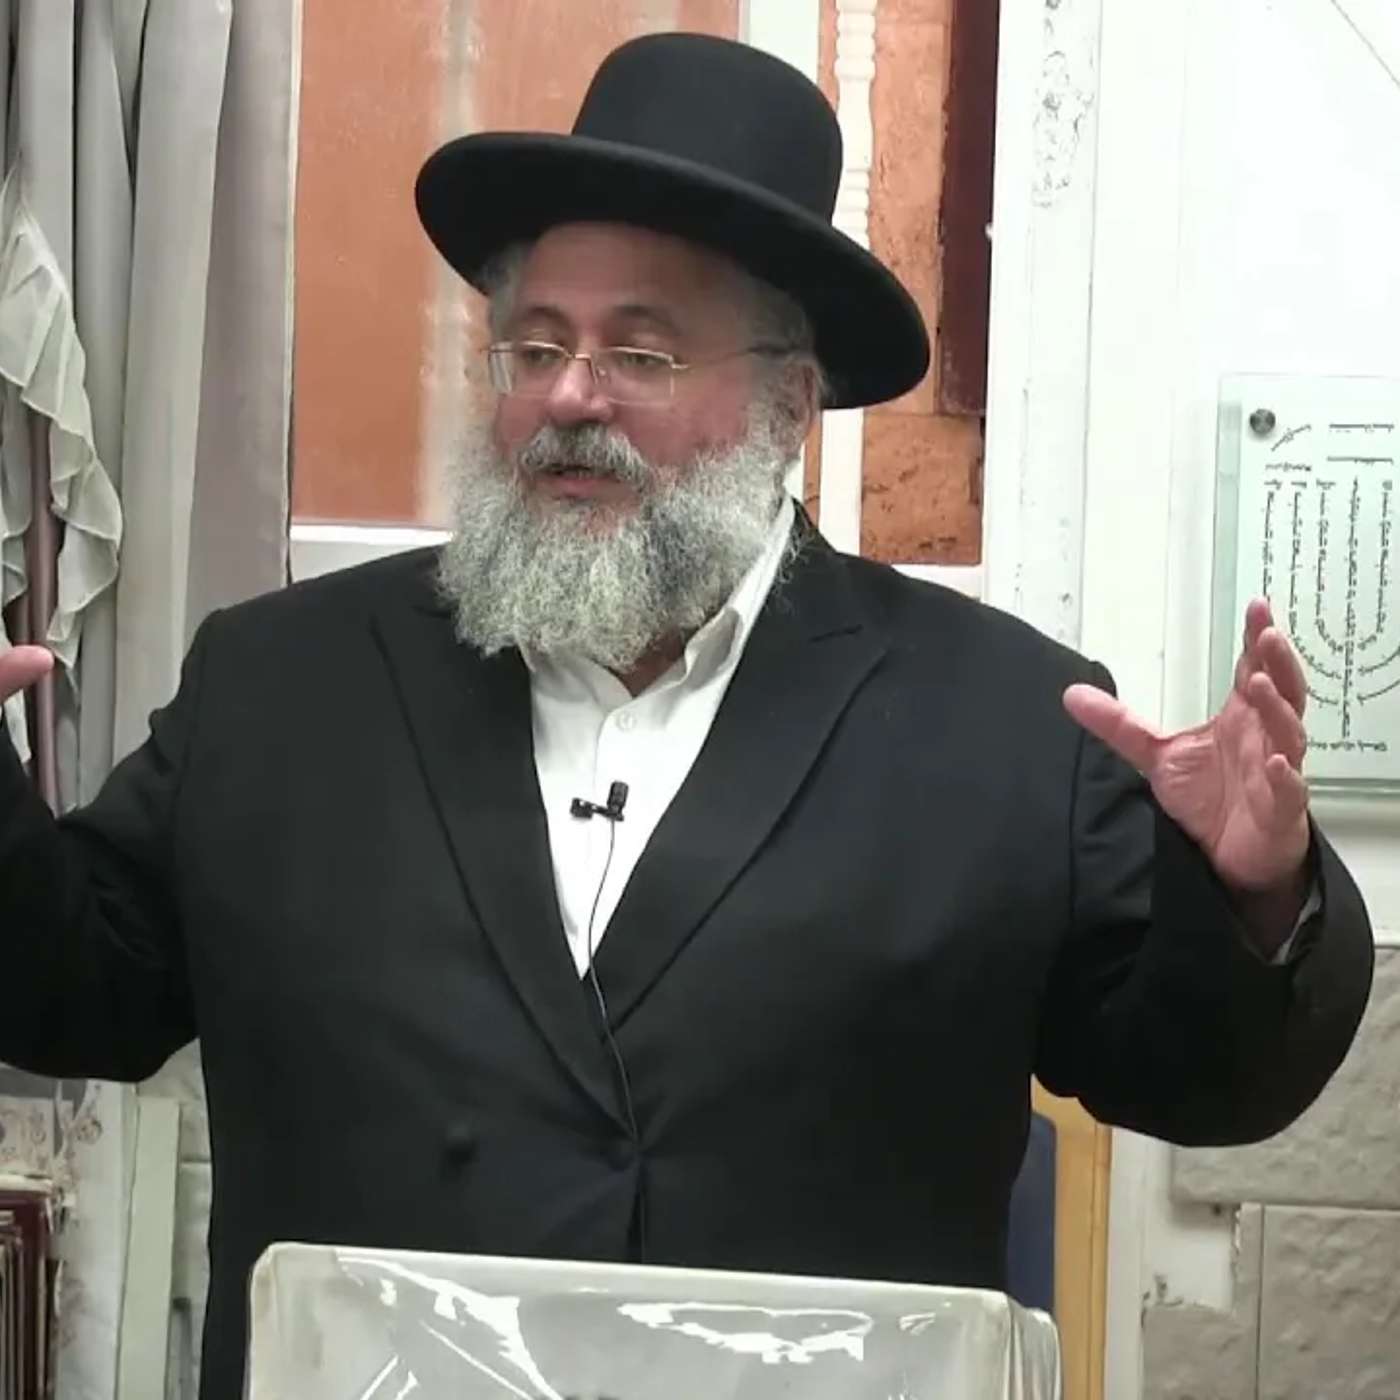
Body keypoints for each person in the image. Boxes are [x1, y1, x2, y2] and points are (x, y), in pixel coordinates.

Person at [0, 33, 1372, 1400]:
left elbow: (1202, 1082)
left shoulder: (1005, 725)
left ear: (790, 401)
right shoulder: (284, 687)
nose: (569, 394)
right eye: (536, 345)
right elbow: (75, 994)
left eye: (641, 353)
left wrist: (1255, 894)